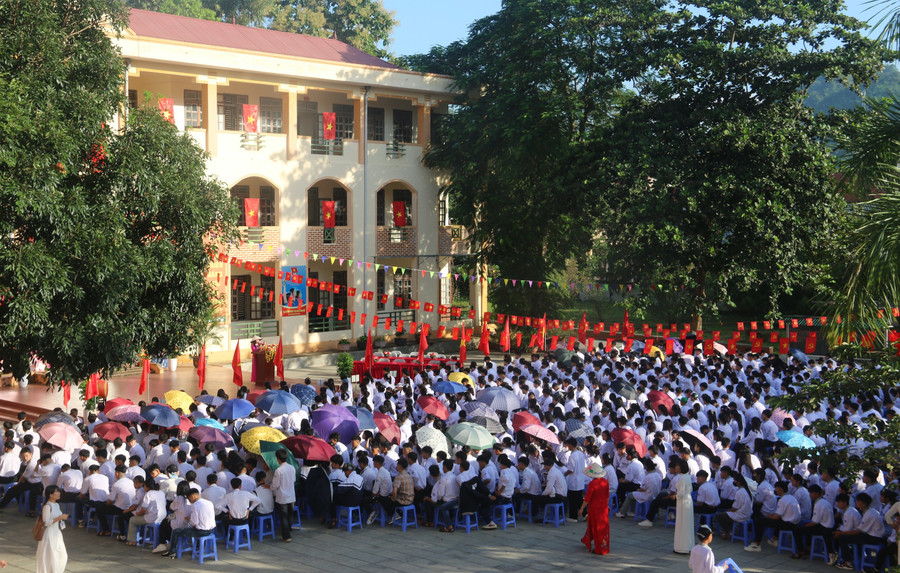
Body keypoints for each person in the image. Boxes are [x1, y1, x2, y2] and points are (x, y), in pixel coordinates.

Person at [578, 462, 610, 555]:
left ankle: (599, 549)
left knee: (596, 528)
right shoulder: (605, 482)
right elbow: (607, 496)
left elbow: (587, 498)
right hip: (603, 508)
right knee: (603, 528)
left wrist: (581, 509)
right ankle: (603, 546)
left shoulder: (593, 484)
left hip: (595, 509)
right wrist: (607, 505)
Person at [36, 485, 68, 573]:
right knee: (50, 556)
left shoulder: (56, 504)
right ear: (51, 495)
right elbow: (46, 522)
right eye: (56, 491)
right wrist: (60, 517)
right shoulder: (47, 506)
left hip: (56, 533)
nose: (59, 493)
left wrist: (61, 518)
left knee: (62, 555)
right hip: (49, 534)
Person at [272, 448, 296, 542]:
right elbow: (293, 480)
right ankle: (288, 529)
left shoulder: (278, 470)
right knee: (290, 514)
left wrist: (270, 486)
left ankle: (286, 536)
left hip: (282, 496)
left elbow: (275, 485)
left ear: (278, 459)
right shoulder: (292, 467)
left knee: (283, 516)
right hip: (291, 494)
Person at [674, 458, 695, 554]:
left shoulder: (682, 478)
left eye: (677, 466)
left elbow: (681, 493)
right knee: (687, 523)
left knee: (682, 523)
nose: (676, 467)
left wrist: (675, 496)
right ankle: (688, 545)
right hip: (687, 500)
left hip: (682, 501)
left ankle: (682, 547)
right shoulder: (687, 476)